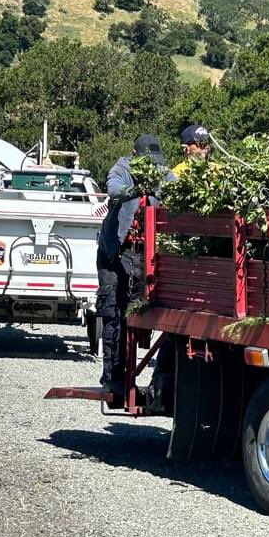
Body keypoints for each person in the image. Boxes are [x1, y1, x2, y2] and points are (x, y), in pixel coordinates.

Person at [96, 135, 174, 399]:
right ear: (134, 154)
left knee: (140, 315)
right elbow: (113, 189)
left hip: (145, 254)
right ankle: (113, 379)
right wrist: (137, 189)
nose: (150, 168)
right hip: (116, 254)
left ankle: (142, 377)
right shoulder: (122, 168)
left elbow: (175, 189)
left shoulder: (163, 174)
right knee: (113, 314)